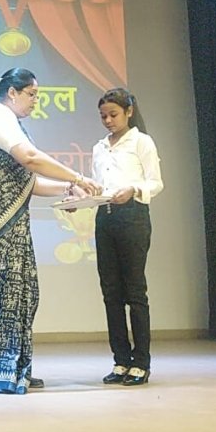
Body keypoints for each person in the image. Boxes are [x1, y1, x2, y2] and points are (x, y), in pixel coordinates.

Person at [0, 67, 102, 394]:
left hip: (10, 225)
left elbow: (26, 182)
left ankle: (9, 365)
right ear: (12, 93)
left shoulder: (12, 124)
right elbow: (30, 159)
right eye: (31, 94)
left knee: (17, 294)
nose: (35, 101)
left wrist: (68, 190)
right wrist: (77, 178)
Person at [91, 88, 163, 386]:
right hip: (105, 217)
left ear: (129, 112)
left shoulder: (141, 141)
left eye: (113, 114)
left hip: (133, 216)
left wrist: (133, 189)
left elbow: (156, 182)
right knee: (111, 293)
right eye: (103, 116)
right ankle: (120, 360)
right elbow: (98, 185)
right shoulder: (99, 147)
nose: (108, 121)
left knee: (135, 292)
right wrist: (80, 196)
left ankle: (141, 363)